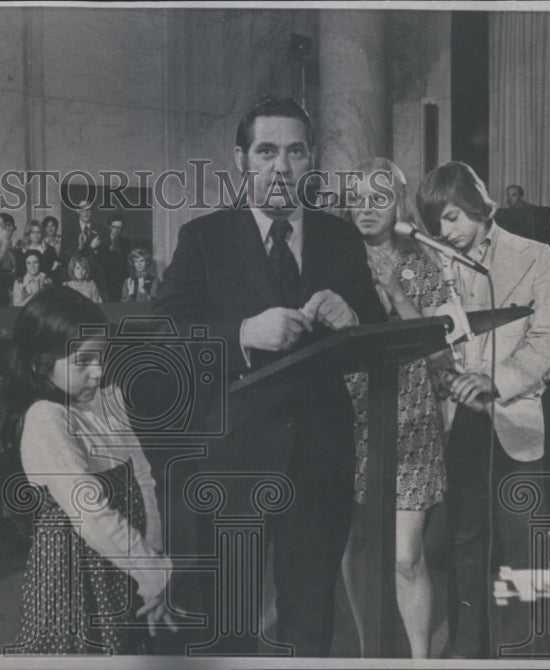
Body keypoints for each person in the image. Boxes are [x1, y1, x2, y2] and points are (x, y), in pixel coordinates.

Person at [153, 96, 385, 655]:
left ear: (310, 162)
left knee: (311, 620)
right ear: (241, 160)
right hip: (232, 464)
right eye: (266, 151)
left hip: (319, 461)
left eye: (295, 151)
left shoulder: (339, 237)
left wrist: (354, 320)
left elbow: (375, 338)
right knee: (229, 625)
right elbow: (159, 341)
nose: (281, 167)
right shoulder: (204, 238)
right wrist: (240, 335)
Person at [417, 162, 550, 659]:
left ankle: (523, 651)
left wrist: (495, 382)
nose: (446, 232)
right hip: (462, 424)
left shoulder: (534, 256)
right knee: (464, 541)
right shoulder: (437, 264)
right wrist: (448, 376)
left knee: (522, 545)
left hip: (516, 421)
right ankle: (466, 648)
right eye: (437, 222)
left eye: (454, 217)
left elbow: (548, 338)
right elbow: (432, 339)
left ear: (479, 208)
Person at [5, 287, 175, 653]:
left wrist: (153, 556)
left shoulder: (109, 398)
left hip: (125, 559)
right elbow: (91, 513)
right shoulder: (46, 418)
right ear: (40, 364)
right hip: (75, 576)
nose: (97, 372)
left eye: (100, 357)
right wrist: (148, 569)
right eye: (82, 361)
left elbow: (144, 478)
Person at [338, 158, 450, 659]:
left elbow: (441, 350)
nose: (365, 208)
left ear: (399, 205)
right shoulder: (335, 260)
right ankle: (368, 652)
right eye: (357, 198)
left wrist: (397, 291)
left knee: (406, 557)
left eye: (378, 198)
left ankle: (421, 659)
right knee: (357, 548)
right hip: (349, 415)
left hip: (411, 421)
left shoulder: (424, 264)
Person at [103, 217, 132, 301]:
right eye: (114, 227)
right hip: (106, 279)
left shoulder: (126, 242)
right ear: (109, 226)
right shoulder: (102, 240)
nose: (116, 230)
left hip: (121, 279)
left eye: (119, 228)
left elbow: (126, 261)